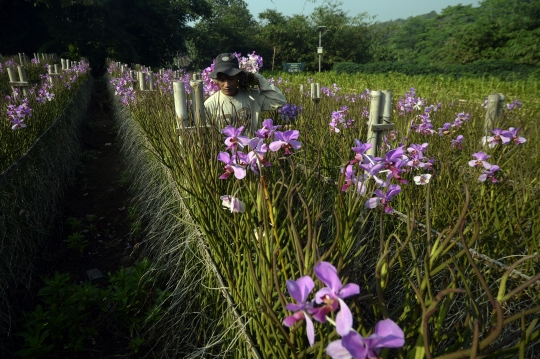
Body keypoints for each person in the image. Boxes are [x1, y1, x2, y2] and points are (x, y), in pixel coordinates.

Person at [204, 53, 287, 132]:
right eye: (222, 80)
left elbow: (280, 101)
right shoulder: (210, 104)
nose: (227, 85)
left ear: (238, 77)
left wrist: (257, 78)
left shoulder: (253, 97)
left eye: (231, 79)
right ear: (216, 80)